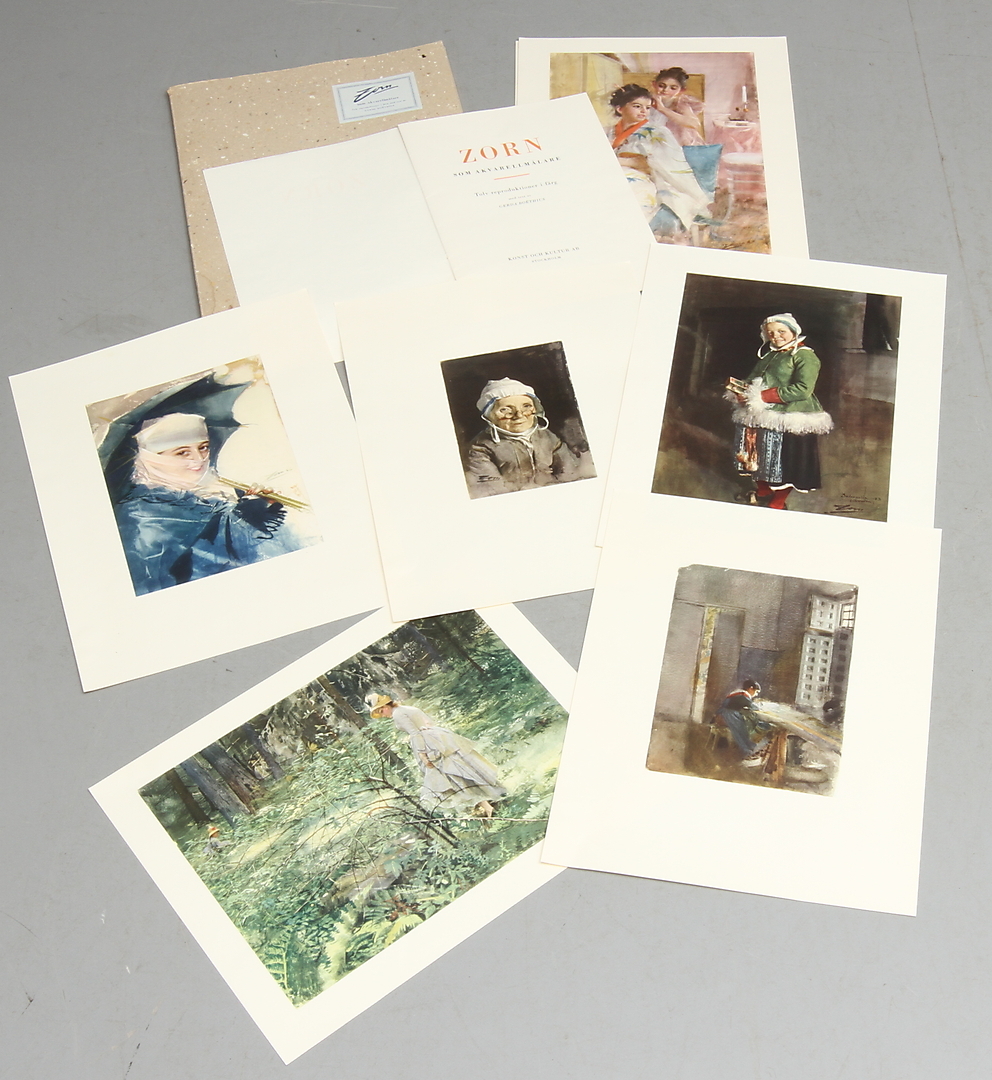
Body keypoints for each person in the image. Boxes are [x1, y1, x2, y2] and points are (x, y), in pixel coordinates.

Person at [110, 411, 301, 594]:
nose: (199, 459)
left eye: (203, 447)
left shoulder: (217, 495)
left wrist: (261, 507)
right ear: (153, 458)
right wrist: (244, 516)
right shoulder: (139, 512)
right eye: (182, 453)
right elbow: (187, 573)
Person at [725, 313, 833, 511]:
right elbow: (753, 378)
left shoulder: (805, 355)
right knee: (757, 455)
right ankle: (763, 492)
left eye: (781, 331)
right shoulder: (770, 355)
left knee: (782, 462)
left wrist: (762, 396)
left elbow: (803, 389)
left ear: (794, 331)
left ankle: (778, 503)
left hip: (789, 415)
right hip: (760, 414)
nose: (776, 336)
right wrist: (741, 391)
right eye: (771, 333)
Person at [366, 693, 507, 818]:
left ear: (386, 705)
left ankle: (486, 804)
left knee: (451, 775)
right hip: (437, 738)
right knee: (457, 771)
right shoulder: (406, 708)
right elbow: (427, 722)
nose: (383, 714)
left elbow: (415, 733)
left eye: (382, 711)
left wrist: (422, 754)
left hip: (429, 745)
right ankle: (487, 800)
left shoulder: (398, 714)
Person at [605, 83, 711, 241]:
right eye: (637, 106)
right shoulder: (606, 131)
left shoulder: (657, 132)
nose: (644, 111)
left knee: (630, 195)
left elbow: (652, 163)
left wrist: (619, 161)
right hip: (608, 174)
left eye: (647, 107)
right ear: (620, 109)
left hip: (642, 178)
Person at [463, 377, 594, 498]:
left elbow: (569, 472)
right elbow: (491, 489)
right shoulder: (479, 447)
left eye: (526, 406)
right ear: (489, 416)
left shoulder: (547, 436)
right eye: (506, 410)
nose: (519, 415)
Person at [717, 679, 772, 765]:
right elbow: (752, 706)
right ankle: (748, 752)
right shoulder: (742, 695)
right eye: (756, 692)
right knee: (743, 731)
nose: (756, 694)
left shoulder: (739, 694)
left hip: (729, 714)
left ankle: (750, 750)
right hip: (728, 715)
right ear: (751, 688)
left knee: (749, 725)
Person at [650, 66, 705, 146]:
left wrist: (662, 109)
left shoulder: (679, 103)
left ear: (681, 90)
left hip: (676, 142)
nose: (665, 90)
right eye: (661, 86)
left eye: (673, 88)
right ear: (654, 84)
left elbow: (694, 124)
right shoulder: (647, 100)